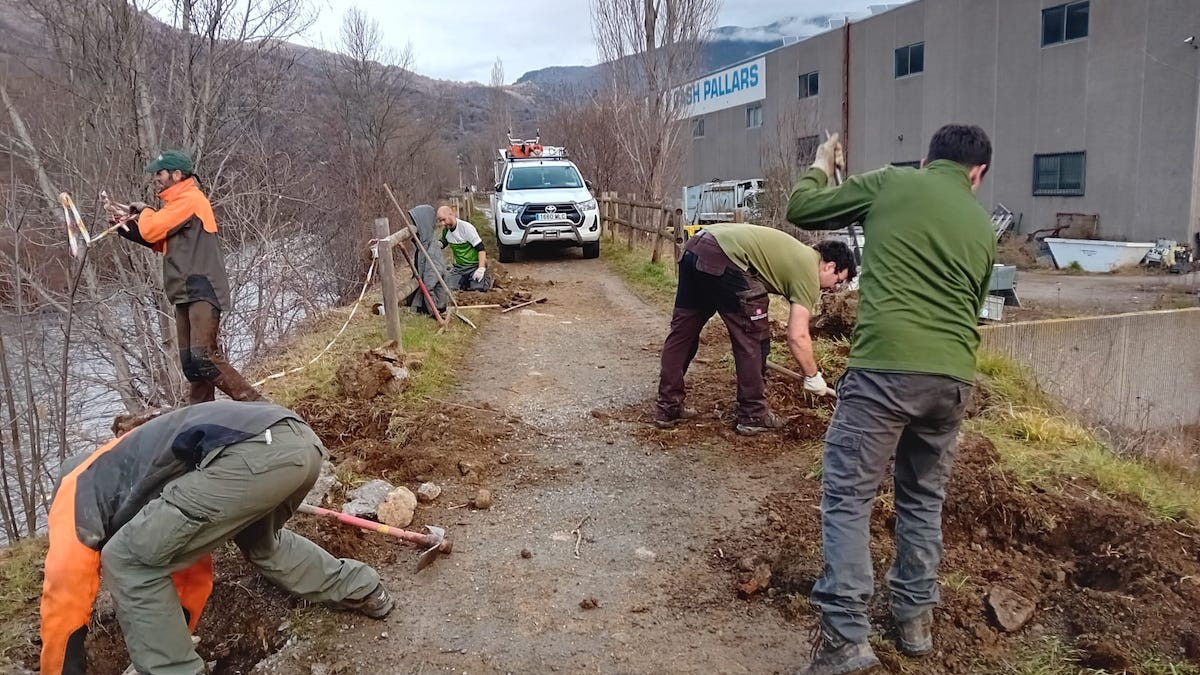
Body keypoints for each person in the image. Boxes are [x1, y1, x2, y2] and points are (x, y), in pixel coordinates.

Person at [786, 124, 995, 674]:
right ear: (977, 174)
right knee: (923, 498)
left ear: (926, 160)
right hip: (952, 379)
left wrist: (821, 165)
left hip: (884, 371)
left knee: (849, 496)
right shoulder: (982, 224)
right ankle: (914, 621)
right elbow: (974, 302)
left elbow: (801, 208)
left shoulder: (890, 183)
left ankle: (845, 638)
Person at [40, 401, 392, 675]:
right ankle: (362, 588)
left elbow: (63, 602)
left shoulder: (75, 493)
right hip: (299, 443)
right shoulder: (127, 462)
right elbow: (188, 559)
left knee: (126, 559)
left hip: (252, 454)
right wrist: (174, 632)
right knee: (263, 543)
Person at [654, 223, 857, 435]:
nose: (833, 288)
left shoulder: (799, 253)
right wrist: (812, 375)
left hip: (695, 248)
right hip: (724, 257)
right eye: (838, 280)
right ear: (829, 266)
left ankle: (667, 407)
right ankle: (753, 414)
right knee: (754, 339)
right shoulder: (809, 273)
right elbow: (798, 336)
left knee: (682, 335)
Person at [114, 149, 262, 404]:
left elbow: (152, 229)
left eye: (160, 173)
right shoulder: (175, 207)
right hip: (185, 291)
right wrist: (126, 227)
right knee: (191, 364)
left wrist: (145, 210)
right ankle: (202, 416)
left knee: (204, 357)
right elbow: (159, 240)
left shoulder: (190, 200)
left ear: (177, 174)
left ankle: (258, 405)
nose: (156, 178)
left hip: (202, 288)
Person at [436, 204, 492, 291]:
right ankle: (464, 282)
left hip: (474, 266)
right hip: (459, 268)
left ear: (451, 214)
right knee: (449, 287)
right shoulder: (446, 231)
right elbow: (444, 242)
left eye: (444, 219)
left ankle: (484, 279)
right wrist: (436, 245)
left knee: (478, 288)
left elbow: (481, 249)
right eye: (440, 221)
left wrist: (481, 268)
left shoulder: (466, 228)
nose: (443, 223)